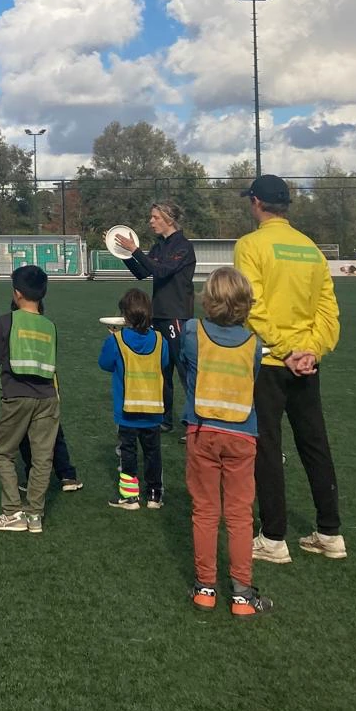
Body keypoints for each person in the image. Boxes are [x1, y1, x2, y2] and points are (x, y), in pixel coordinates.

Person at [233, 174, 345, 564]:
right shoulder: (310, 248)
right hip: (307, 365)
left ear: (257, 204)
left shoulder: (250, 245)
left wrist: (284, 349)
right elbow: (328, 312)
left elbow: (253, 306)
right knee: (315, 444)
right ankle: (330, 533)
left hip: (269, 361)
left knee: (267, 447)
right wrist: (309, 351)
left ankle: (273, 537)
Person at [180, 267, 271, 617]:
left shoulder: (192, 332)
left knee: (205, 511)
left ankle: (205, 588)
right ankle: (242, 595)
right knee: (239, 516)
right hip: (242, 434)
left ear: (208, 299)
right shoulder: (254, 344)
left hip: (202, 430)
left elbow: (183, 364)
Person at [0, 264, 60, 534]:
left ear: (17, 293)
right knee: (42, 458)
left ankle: (12, 512)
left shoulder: (7, 321)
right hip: (48, 397)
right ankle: (35, 515)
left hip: (16, 395)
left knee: (3, 453)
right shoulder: (50, 325)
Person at [122, 202, 196, 433]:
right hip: (159, 316)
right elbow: (143, 272)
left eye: (155, 217)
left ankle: (194, 423)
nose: (151, 221)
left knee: (185, 372)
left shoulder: (183, 246)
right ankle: (166, 420)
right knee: (163, 371)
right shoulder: (159, 246)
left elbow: (162, 271)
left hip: (177, 316)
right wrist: (124, 253)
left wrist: (135, 250)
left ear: (168, 219)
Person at [98, 287, 169, 509]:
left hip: (127, 410)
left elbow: (105, 364)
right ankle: (155, 495)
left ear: (125, 315)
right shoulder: (160, 340)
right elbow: (164, 363)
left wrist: (114, 339)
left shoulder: (116, 340)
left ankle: (130, 497)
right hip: (153, 410)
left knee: (127, 452)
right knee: (152, 452)